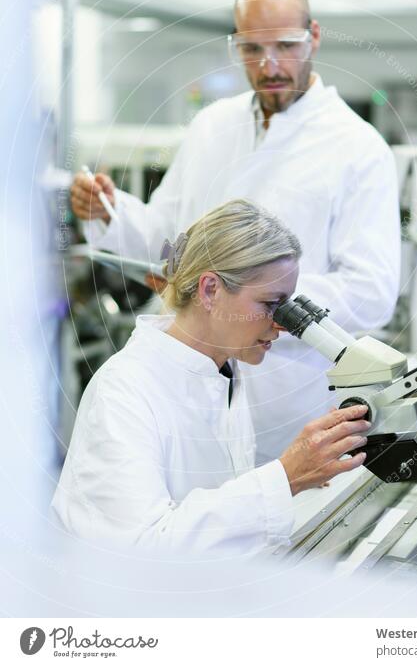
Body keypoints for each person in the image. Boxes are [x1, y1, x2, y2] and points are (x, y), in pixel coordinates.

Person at [70, 0, 400, 462]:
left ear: (313, 36)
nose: (269, 65)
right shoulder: (211, 127)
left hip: (287, 397)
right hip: (189, 380)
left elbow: (372, 293)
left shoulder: (357, 148)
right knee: (184, 510)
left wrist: (250, 299)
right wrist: (110, 214)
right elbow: (169, 238)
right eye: (251, 49)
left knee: (278, 519)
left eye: (285, 46)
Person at [52, 200, 370, 555]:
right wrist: (283, 480)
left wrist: (293, 486)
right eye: (269, 304)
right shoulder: (123, 393)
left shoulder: (224, 372)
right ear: (209, 290)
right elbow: (137, 551)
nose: (282, 323)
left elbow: (207, 505)